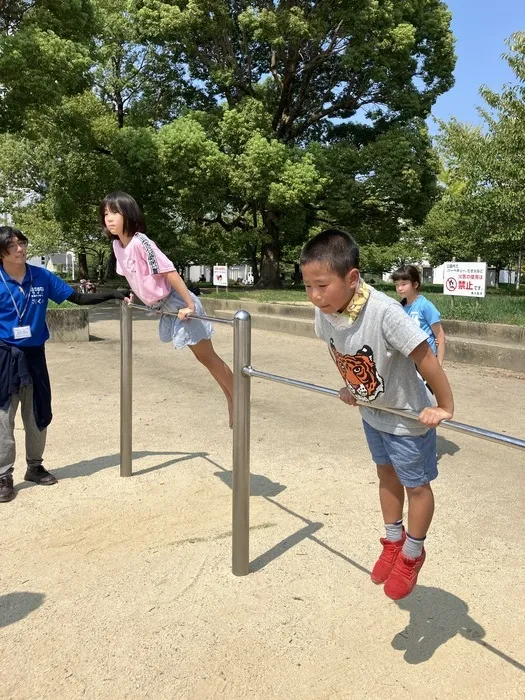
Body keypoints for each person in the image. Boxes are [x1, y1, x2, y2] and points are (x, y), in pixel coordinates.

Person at [300, 229, 454, 600]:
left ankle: (413, 553)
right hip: (373, 412)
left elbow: (425, 356)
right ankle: (393, 540)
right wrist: (350, 387)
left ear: (352, 279)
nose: (314, 295)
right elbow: (340, 353)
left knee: (415, 485)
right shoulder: (325, 312)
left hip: (407, 418)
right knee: (385, 474)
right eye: (307, 286)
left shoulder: (384, 313)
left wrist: (444, 404)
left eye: (322, 285)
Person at [0, 226, 129, 502]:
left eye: (22, 243)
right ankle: (3, 475)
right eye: (13, 245)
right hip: (4, 356)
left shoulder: (41, 276)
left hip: (34, 355)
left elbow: (78, 297)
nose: (21, 249)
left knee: (37, 414)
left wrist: (112, 294)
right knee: (3, 417)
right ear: (1, 253)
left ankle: (34, 466)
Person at [100, 191, 234, 426]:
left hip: (178, 302)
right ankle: (233, 400)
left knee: (208, 357)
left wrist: (190, 305)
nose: (109, 218)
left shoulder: (141, 242)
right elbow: (135, 277)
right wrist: (132, 297)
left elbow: (169, 272)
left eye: (114, 212)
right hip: (162, 307)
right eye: (105, 214)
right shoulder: (118, 246)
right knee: (203, 359)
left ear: (128, 214)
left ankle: (239, 400)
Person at [392, 265, 446, 365]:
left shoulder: (425, 306)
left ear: (415, 284)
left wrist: (439, 364)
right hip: (409, 359)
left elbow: (440, 336)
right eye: (397, 284)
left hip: (426, 358)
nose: (399, 288)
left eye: (404, 284)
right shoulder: (400, 307)